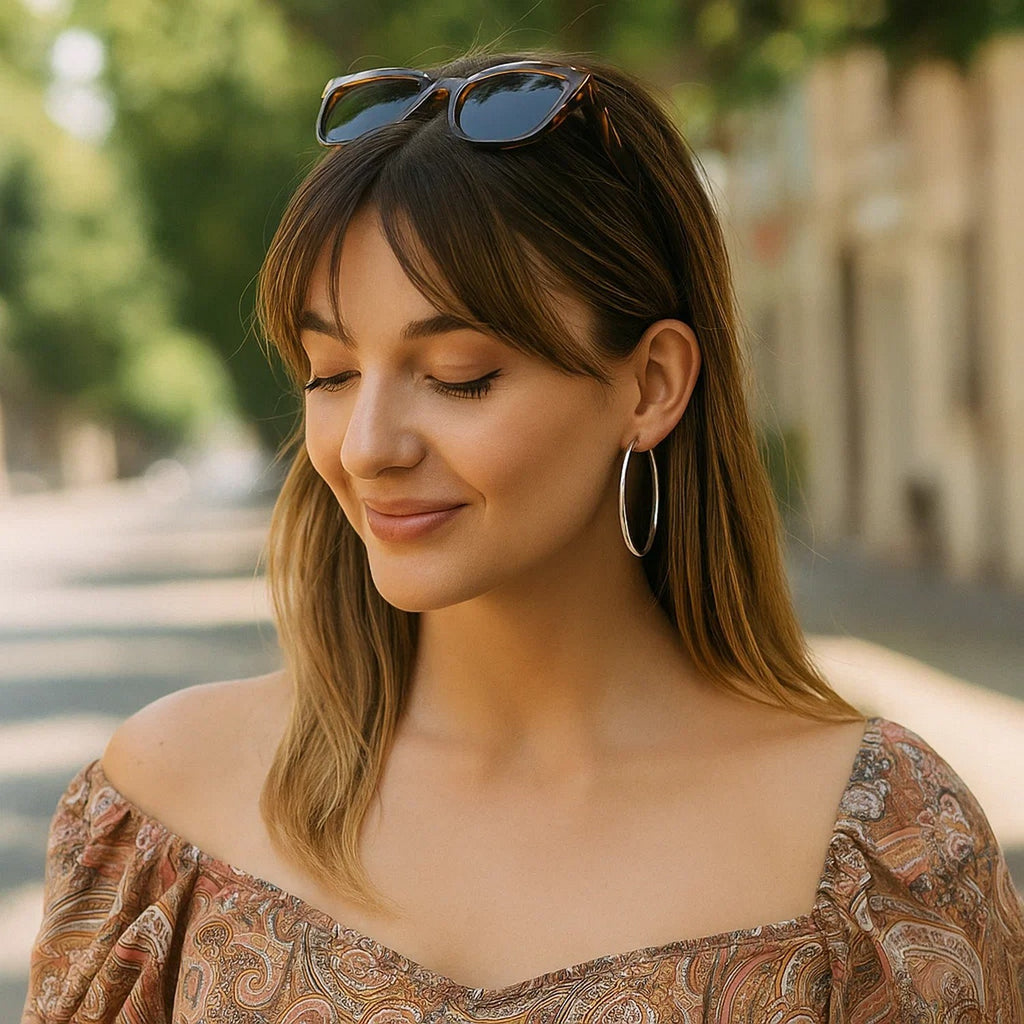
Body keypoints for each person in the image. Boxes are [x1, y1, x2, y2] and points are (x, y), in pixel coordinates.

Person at [22, 47, 1024, 1024]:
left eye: (458, 376)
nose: (366, 446)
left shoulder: (878, 851)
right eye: (330, 374)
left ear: (651, 385)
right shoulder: (166, 811)